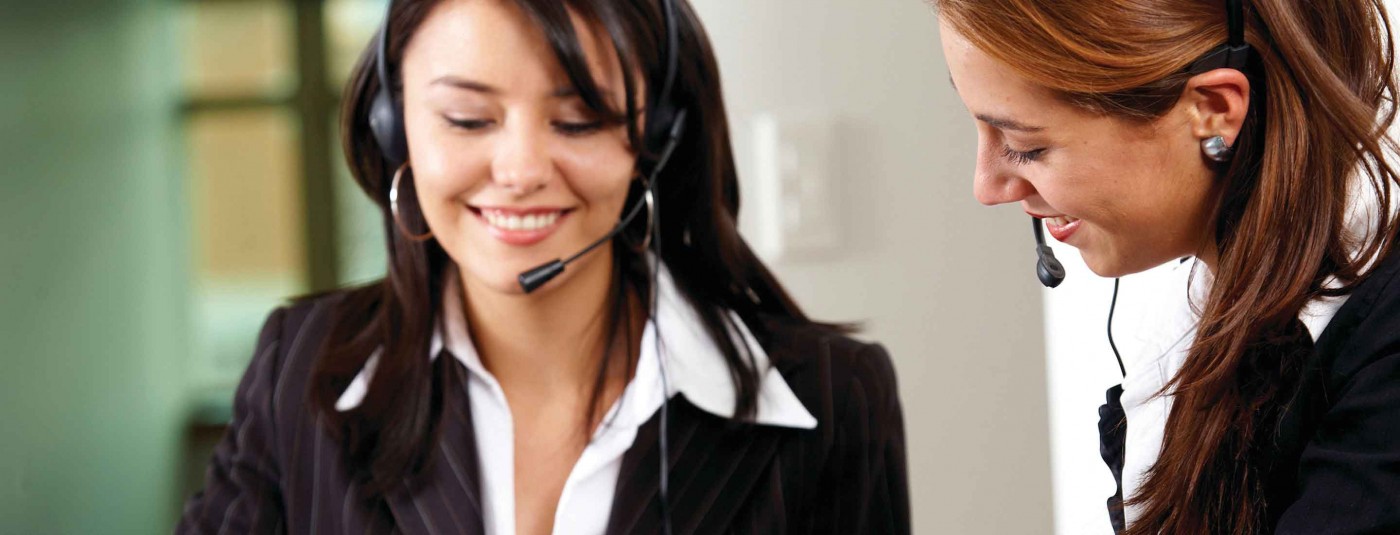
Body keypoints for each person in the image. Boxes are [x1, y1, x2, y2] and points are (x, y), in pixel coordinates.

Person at [177, 0, 910, 533]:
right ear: (393, 126)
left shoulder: (833, 400)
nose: (522, 169)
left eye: (579, 119)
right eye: (468, 119)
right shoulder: (300, 370)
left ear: (656, 138)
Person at [936, 0, 1400, 533]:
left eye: (1026, 146)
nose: (986, 187)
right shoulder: (1198, 321)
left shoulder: (1380, 359)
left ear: (1216, 110)